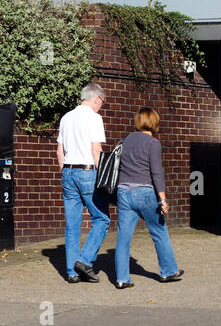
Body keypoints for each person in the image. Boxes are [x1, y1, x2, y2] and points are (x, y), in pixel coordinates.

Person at [113, 107, 183, 288]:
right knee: (159, 232)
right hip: (144, 192)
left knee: (123, 237)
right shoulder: (153, 143)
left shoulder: (125, 140)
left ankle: (122, 279)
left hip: (123, 192)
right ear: (154, 122)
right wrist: (163, 199)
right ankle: (168, 271)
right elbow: (156, 173)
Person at [57, 83, 108, 283]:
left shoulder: (66, 117)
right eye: (101, 102)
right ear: (97, 99)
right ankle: (85, 260)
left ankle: (71, 272)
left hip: (68, 172)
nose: (101, 106)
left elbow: (59, 152)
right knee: (101, 218)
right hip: (88, 172)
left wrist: (66, 172)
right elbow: (96, 150)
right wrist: (102, 177)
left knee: (72, 226)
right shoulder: (95, 118)